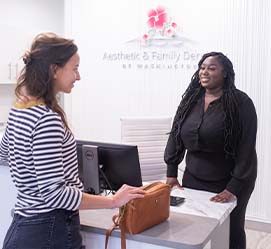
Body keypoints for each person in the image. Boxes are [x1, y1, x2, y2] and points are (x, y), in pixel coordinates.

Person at [0, 33, 145, 249]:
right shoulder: (45, 119)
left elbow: (3, 155)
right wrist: (114, 201)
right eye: (74, 68)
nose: (78, 77)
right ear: (54, 69)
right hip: (49, 231)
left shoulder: (19, 110)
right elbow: (55, 195)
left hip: (24, 227)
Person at [164, 52, 257, 249]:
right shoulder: (191, 100)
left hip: (231, 179)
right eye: (202, 67)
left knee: (230, 231)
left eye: (212, 68)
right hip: (195, 176)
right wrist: (171, 172)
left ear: (225, 73)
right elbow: (176, 134)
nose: (205, 72)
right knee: (194, 227)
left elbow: (246, 148)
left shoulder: (241, 103)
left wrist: (233, 188)